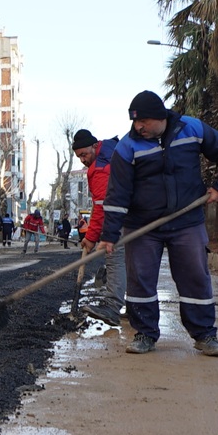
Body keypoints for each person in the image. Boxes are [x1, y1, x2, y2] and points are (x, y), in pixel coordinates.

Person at [98, 91, 218, 357]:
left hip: (187, 221)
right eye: (135, 122)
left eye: (143, 121)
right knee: (140, 280)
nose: (138, 127)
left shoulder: (192, 129)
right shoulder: (127, 147)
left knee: (195, 277)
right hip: (142, 225)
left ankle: (205, 335)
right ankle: (145, 333)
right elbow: (117, 195)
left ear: (160, 117)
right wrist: (109, 234)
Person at [73, 128, 124, 320]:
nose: (83, 160)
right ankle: (137, 307)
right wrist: (90, 236)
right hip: (136, 211)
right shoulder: (112, 149)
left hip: (123, 215)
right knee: (133, 260)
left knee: (115, 255)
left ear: (95, 145)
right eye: (79, 157)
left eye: (84, 154)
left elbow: (102, 206)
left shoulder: (101, 168)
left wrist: (92, 237)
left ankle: (112, 306)